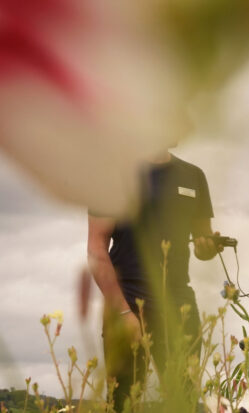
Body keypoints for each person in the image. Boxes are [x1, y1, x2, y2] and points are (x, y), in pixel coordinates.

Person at [87, 150, 222, 411]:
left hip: (179, 302)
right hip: (127, 299)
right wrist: (124, 311)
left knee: (185, 398)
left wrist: (208, 247)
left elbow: (202, 242)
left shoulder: (193, 176)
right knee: (124, 401)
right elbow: (96, 248)